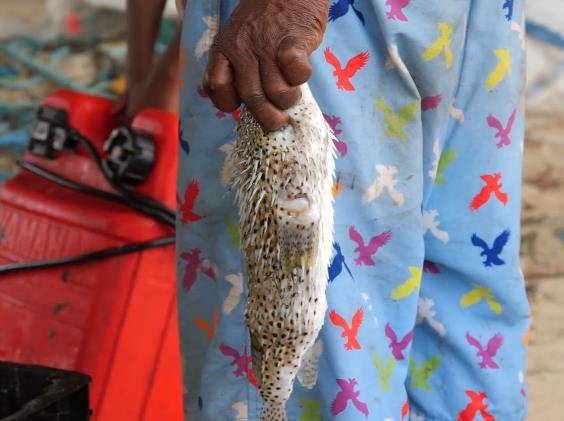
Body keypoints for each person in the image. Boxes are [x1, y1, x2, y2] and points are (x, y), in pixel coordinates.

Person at [132, 0, 531, 419]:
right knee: (456, 303)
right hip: (475, 17)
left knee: (303, 340)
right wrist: (146, 68)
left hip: (321, 25)